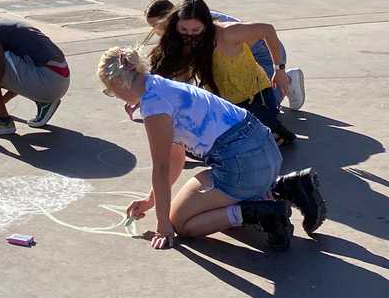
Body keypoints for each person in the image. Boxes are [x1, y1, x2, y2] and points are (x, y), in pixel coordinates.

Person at [97, 46, 326, 251]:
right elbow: (176, 159)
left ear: (118, 83)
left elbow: (162, 166)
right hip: (265, 150)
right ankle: (287, 186)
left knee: (182, 223)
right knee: (200, 202)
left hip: (241, 164)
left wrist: (163, 225)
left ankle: (264, 213)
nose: (114, 96)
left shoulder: (154, 106)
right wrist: (151, 201)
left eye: (110, 91)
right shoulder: (161, 85)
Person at [143, 0, 299, 143]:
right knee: (195, 142)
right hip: (226, 103)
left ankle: (285, 87)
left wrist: (279, 70)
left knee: (248, 140)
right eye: (184, 30)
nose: (189, 35)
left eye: (196, 30)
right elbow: (181, 80)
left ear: (206, 24)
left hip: (255, 89)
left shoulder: (227, 33)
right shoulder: (182, 40)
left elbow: (267, 30)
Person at [0, 7, 70, 136]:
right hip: (59, 79)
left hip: (48, 81)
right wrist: (1, 100)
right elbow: (18, 70)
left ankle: (2, 121)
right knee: (0, 60)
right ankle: (45, 101)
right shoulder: (0, 24)